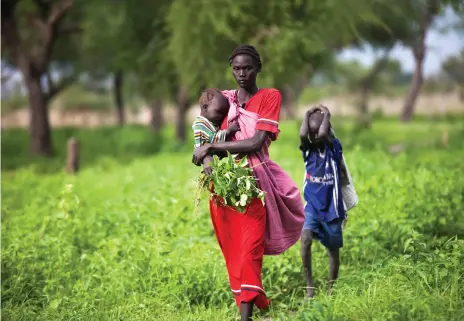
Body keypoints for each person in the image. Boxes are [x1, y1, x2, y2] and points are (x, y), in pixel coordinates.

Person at [192, 44, 305, 321]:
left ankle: (246, 317)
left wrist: (211, 150)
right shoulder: (224, 99)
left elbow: (255, 142)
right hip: (225, 185)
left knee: (250, 249)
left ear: (258, 69)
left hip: (255, 184)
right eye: (236, 68)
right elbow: (202, 133)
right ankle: (254, 304)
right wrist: (204, 156)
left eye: (248, 68)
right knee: (232, 250)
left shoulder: (269, 97)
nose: (242, 74)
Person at [298, 105, 346, 298]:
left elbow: (325, 134)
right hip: (312, 208)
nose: (315, 135)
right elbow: (303, 134)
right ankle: (310, 286)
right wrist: (307, 114)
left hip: (332, 210)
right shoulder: (308, 151)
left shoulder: (334, 149)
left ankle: (332, 287)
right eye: (312, 132)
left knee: (333, 251)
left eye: (318, 131)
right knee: (305, 240)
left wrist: (325, 114)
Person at [192, 88, 240, 175]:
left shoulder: (210, 123)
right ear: (205, 107)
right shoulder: (201, 124)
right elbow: (211, 139)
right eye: (219, 112)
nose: (221, 116)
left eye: (224, 114)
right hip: (206, 155)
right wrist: (228, 131)